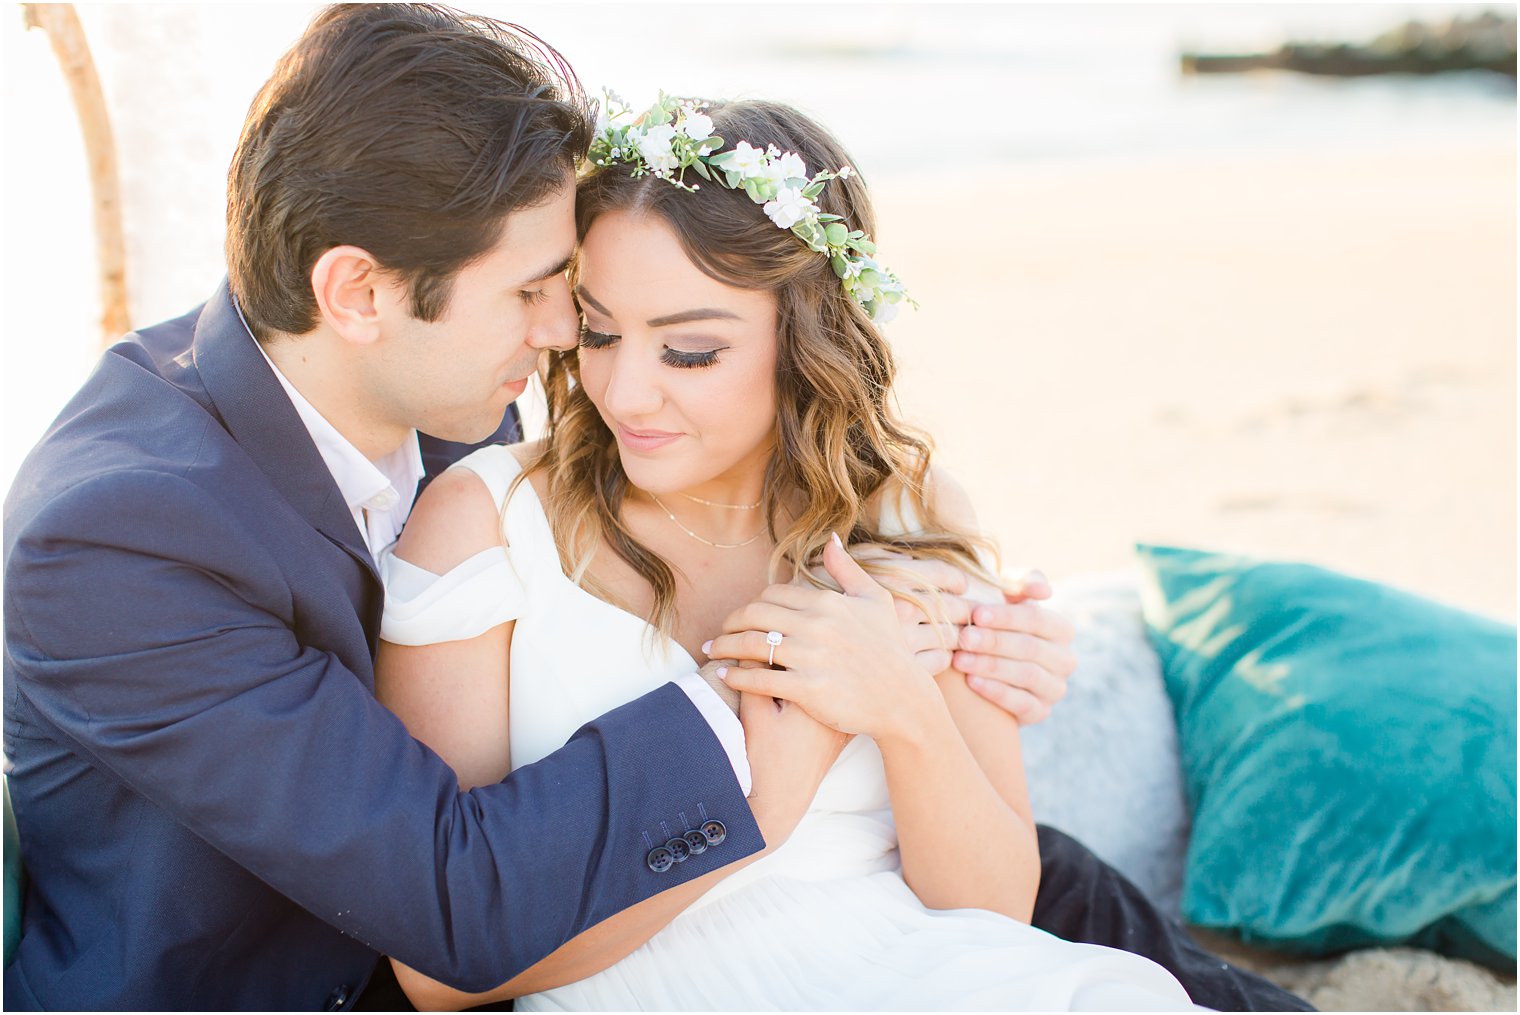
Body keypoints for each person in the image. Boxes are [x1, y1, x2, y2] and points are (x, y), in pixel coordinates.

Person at [1, 6, 1082, 1010]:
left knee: (1079, 924)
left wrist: (974, 647)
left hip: (703, 896)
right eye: (534, 293)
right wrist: (776, 718)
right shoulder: (113, 540)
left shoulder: (440, 383)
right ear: (357, 293)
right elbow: (451, 905)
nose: (571, 342)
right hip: (310, 983)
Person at [374, 95, 1310, 1011]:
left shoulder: (908, 513)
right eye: (601, 331)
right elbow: (442, 974)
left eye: (690, 351)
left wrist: (902, 707)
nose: (623, 393)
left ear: (807, 338)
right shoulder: (482, 525)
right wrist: (759, 799)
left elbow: (993, 906)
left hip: (925, 971)